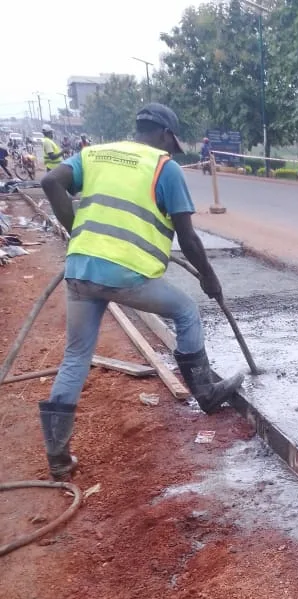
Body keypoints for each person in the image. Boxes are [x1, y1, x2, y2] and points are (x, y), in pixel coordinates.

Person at [39, 102, 243, 479]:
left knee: (76, 355)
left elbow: (51, 181)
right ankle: (207, 394)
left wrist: (75, 232)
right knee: (185, 312)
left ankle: (58, 459)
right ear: (166, 134)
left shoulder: (94, 154)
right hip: (126, 275)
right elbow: (188, 236)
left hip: (81, 269)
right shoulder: (165, 167)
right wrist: (209, 277)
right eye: (172, 141)